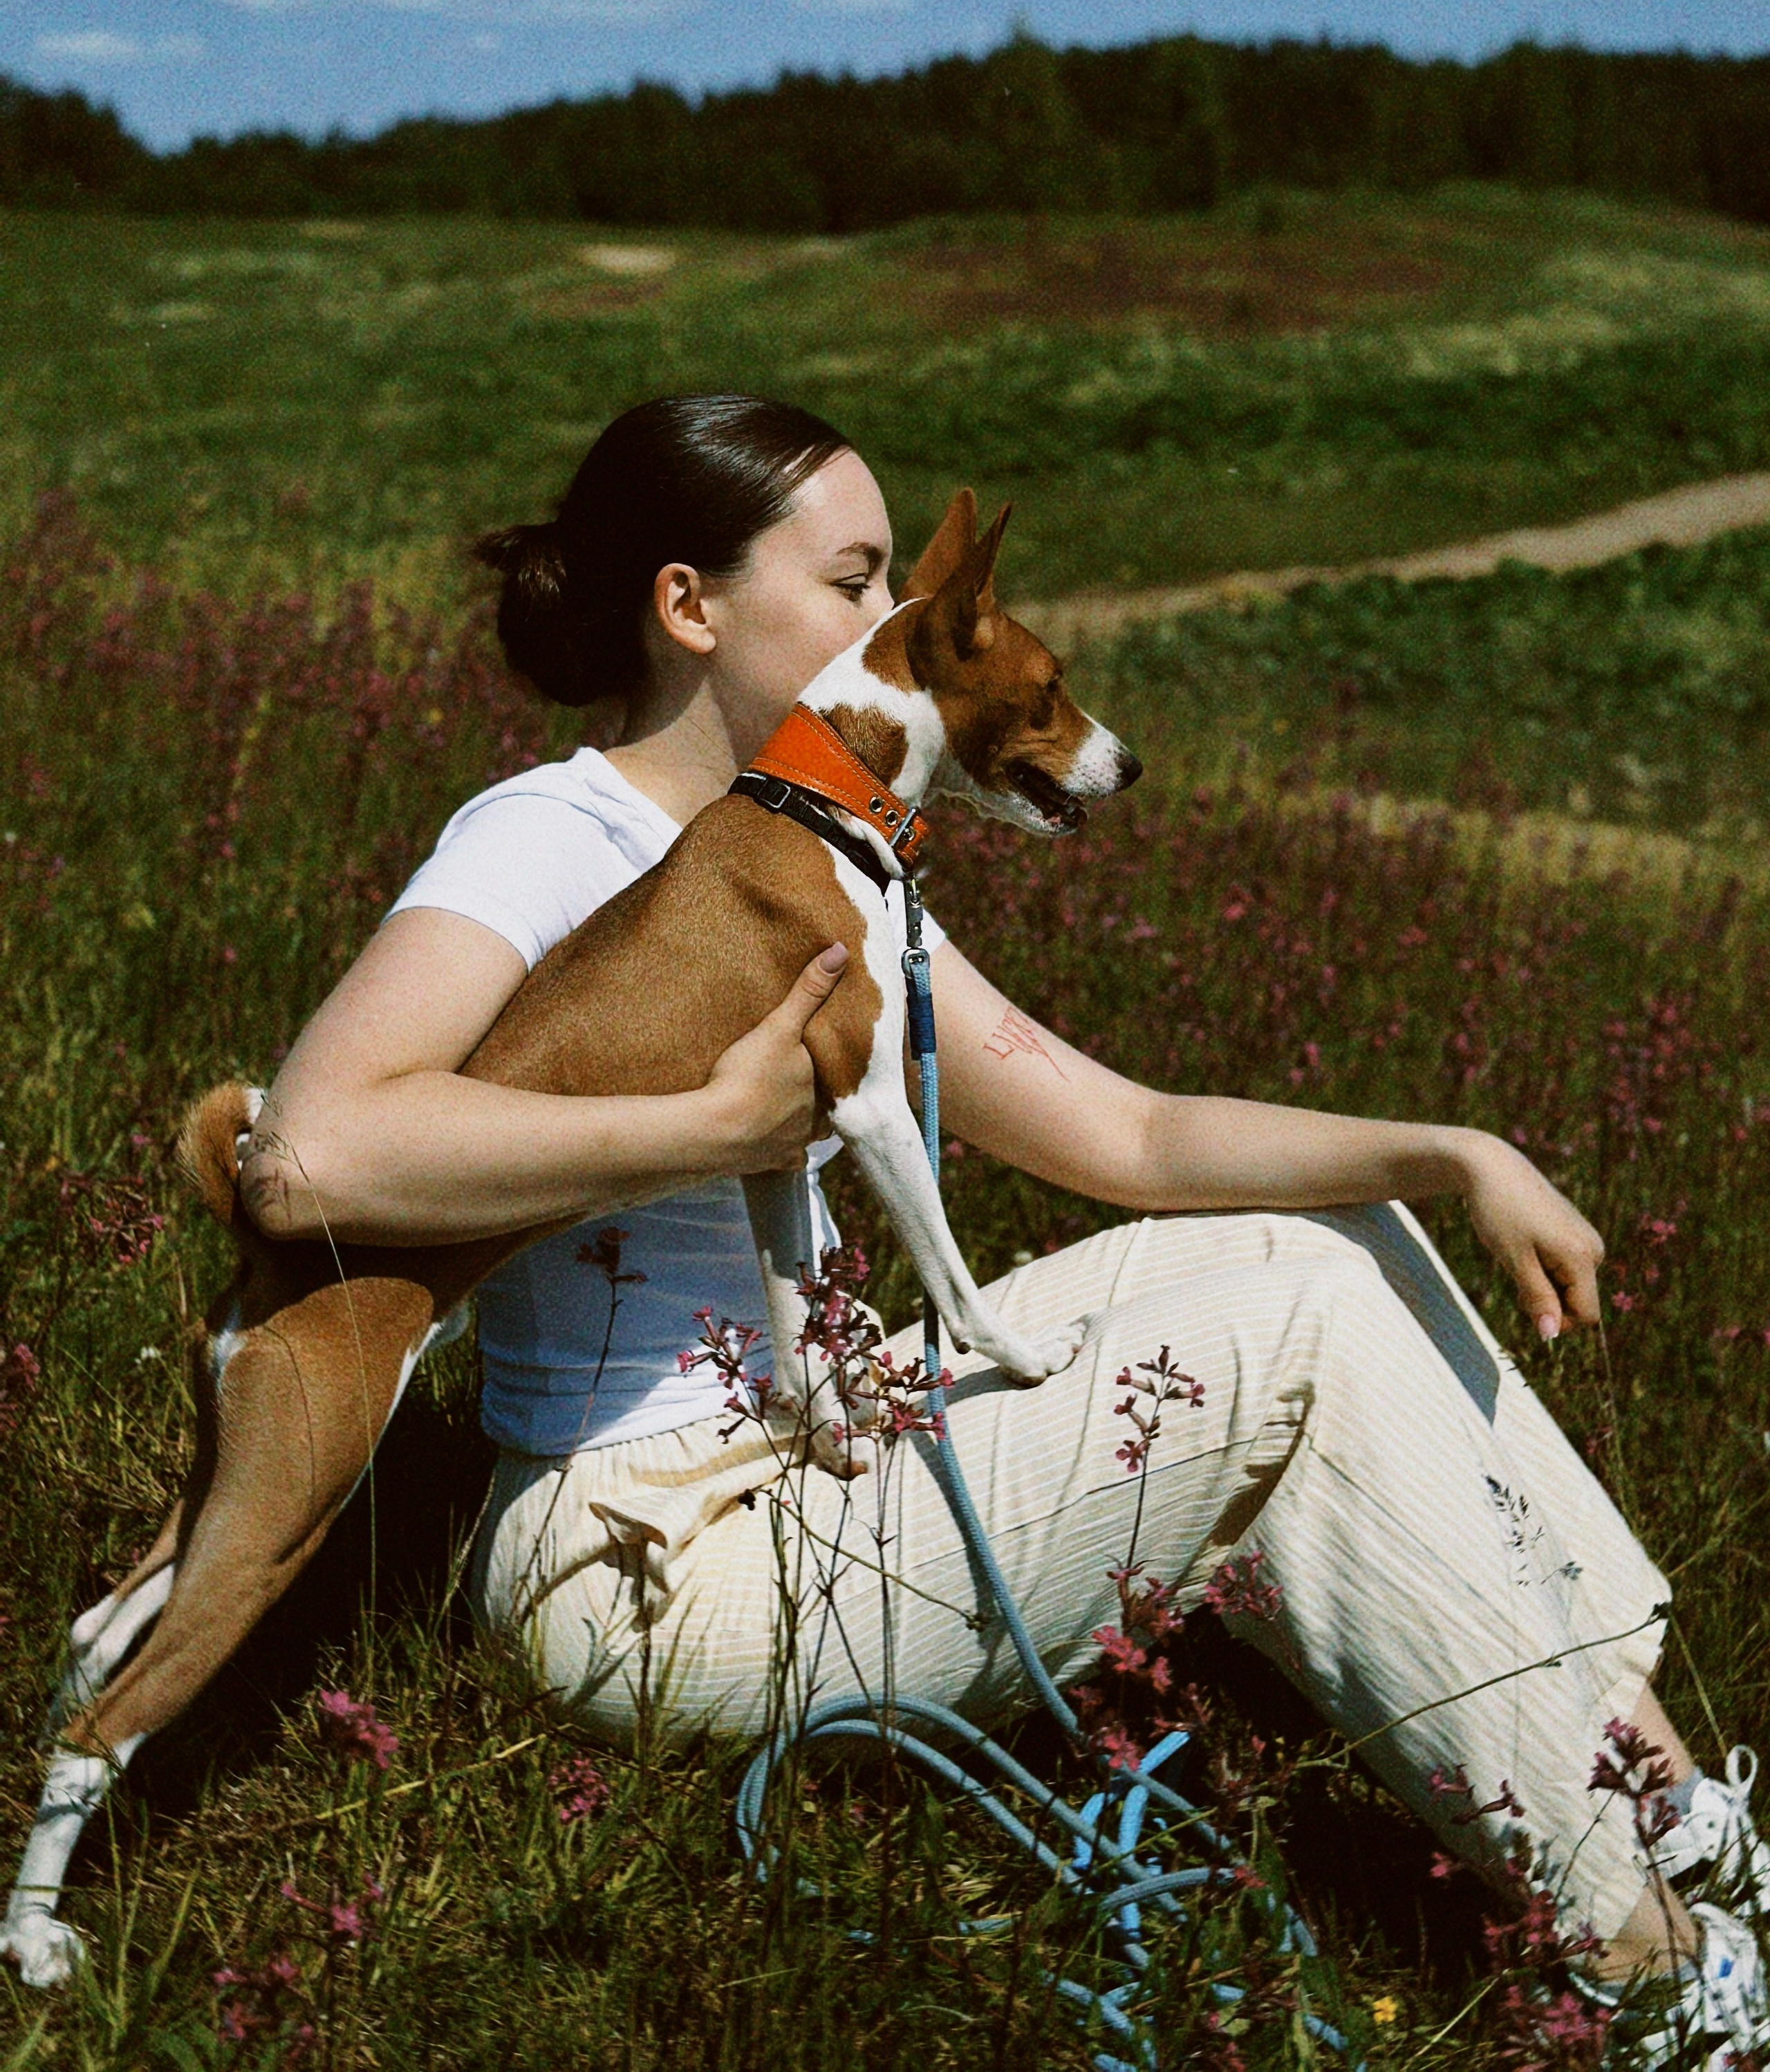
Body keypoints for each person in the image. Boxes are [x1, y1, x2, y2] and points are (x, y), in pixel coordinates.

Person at [245, 394, 1767, 2051]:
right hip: (641, 1565)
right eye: (852, 581)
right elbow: (310, 1156)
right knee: (1299, 1332)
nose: (900, 619)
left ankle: (1677, 1818)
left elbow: (1119, 1129)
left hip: (805, 1452)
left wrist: (1445, 1151)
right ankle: (1655, 1979)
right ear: (687, 607)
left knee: (1328, 1239)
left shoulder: (824, 845)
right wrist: (702, 1127)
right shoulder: (552, 834)